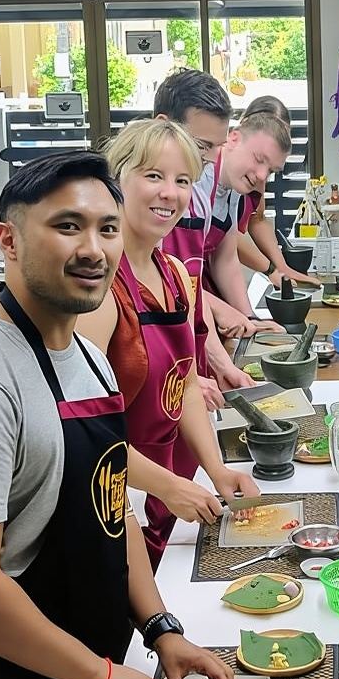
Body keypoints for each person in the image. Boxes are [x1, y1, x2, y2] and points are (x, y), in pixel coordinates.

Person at [0, 150, 232, 679]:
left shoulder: (85, 359)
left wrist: (161, 629)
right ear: (8, 239)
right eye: (67, 226)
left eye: (106, 228)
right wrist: (98, 673)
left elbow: (111, 509)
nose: (93, 248)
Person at [80, 119, 259, 569]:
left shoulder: (177, 275)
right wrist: (166, 486)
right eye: (153, 176)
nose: (170, 193)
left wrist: (214, 469)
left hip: (170, 490)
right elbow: (84, 433)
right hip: (113, 501)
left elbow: (184, 387)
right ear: (116, 180)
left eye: (182, 181)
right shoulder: (99, 291)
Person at [152, 70, 256, 401]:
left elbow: (189, 292)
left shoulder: (201, 181)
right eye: (202, 145)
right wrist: (187, 381)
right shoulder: (136, 205)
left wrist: (219, 363)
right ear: (162, 126)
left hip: (188, 368)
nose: (211, 158)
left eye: (217, 146)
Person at [201, 111, 293, 318]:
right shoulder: (197, 181)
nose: (262, 175)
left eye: (270, 171)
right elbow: (176, 275)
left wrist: (248, 317)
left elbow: (225, 258)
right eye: (259, 159)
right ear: (234, 138)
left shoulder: (233, 188)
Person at [235, 95, 322, 289]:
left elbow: (256, 219)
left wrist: (282, 267)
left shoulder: (259, 172)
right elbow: (226, 236)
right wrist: (271, 269)